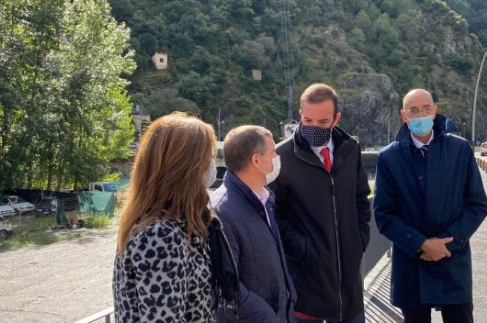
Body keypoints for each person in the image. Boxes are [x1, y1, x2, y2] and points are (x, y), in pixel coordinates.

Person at [373, 89, 487, 323]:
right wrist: (421, 244)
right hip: (411, 263)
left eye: (426, 108)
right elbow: (384, 214)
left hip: (453, 260)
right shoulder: (389, 157)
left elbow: (477, 205)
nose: (421, 114)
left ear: (435, 112)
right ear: (403, 116)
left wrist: (447, 243)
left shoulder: (460, 149)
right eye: (413, 110)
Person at [113, 112, 230, 322]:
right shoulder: (161, 235)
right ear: (184, 167)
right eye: (207, 157)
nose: (212, 165)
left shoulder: (180, 223)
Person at [270, 83, 371, 323]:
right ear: (300, 115)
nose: (314, 127)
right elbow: (274, 215)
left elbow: (361, 199)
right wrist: (303, 249)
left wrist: (359, 240)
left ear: (336, 119)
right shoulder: (280, 157)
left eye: (323, 122)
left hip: (351, 298)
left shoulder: (350, 149)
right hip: (306, 299)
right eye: (308, 121)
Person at [210, 125, 296, 322]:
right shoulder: (222, 212)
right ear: (256, 160)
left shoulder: (263, 200)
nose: (277, 157)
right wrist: (270, 318)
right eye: (273, 152)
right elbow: (227, 288)